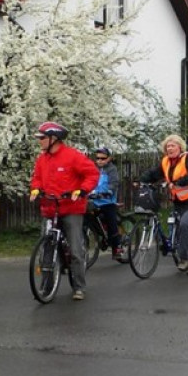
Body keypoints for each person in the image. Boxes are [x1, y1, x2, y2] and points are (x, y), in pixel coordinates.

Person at [30, 121, 100, 298]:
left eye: (42, 138)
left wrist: (82, 190)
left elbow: (92, 173)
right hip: (50, 209)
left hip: (71, 208)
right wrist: (36, 188)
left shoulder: (73, 156)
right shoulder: (42, 158)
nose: (40, 141)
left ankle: (79, 287)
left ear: (54, 138)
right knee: (46, 249)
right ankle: (46, 287)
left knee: (76, 250)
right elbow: (37, 178)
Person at [140, 134, 188, 275]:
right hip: (180, 201)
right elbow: (154, 173)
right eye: (167, 146)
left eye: (173, 146)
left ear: (180, 147)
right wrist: (141, 180)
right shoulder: (166, 162)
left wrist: (178, 182)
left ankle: (185, 258)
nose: (170, 148)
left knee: (185, 224)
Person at [89, 146, 127, 262]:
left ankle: (117, 247)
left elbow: (114, 183)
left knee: (111, 223)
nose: (99, 161)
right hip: (94, 200)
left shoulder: (112, 169)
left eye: (103, 158)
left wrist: (108, 191)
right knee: (88, 217)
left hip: (107, 201)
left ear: (109, 158)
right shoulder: (94, 169)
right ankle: (99, 234)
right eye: (97, 158)